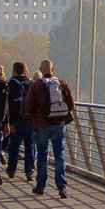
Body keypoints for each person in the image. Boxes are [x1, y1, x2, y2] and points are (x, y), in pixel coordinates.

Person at [26, 57, 75, 198]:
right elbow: (71, 105)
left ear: (40, 71)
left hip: (41, 125)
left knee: (42, 155)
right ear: (53, 70)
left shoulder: (36, 85)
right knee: (59, 154)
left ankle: (41, 186)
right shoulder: (62, 83)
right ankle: (62, 187)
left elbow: (28, 107)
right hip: (59, 124)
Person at [4, 61, 35, 180]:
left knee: (14, 145)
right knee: (29, 145)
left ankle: (12, 169)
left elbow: (8, 104)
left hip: (16, 120)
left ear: (14, 70)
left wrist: (8, 122)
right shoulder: (31, 83)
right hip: (29, 119)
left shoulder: (11, 83)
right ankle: (29, 171)